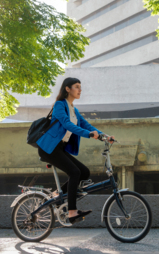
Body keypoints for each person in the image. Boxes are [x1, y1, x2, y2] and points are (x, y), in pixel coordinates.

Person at [36, 77, 114, 224]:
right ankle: (72, 211)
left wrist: (104, 136)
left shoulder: (74, 110)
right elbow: (66, 124)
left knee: (84, 172)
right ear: (67, 89)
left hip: (59, 149)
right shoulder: (59, 105)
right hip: (48, 148)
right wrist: (88, 135)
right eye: (77, 87)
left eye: (80, 87)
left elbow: (87, 125)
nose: (80, 90)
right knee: (74, 172)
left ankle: (55, 194)